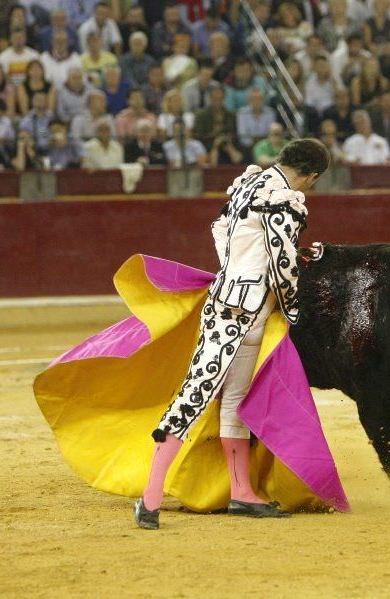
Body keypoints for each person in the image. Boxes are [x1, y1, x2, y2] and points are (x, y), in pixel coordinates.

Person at [134, 138, 331, 529]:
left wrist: (237, 271)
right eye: (314, 181)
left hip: (221, 301)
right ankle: (149, 498)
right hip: (250, 311)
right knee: (198, 397)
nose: (310, 188)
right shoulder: (284, 199)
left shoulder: (247, 183)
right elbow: (282, 262)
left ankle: (241, 494)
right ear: (311, 174)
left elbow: (221, 229)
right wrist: (291, 307)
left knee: (217, 395)